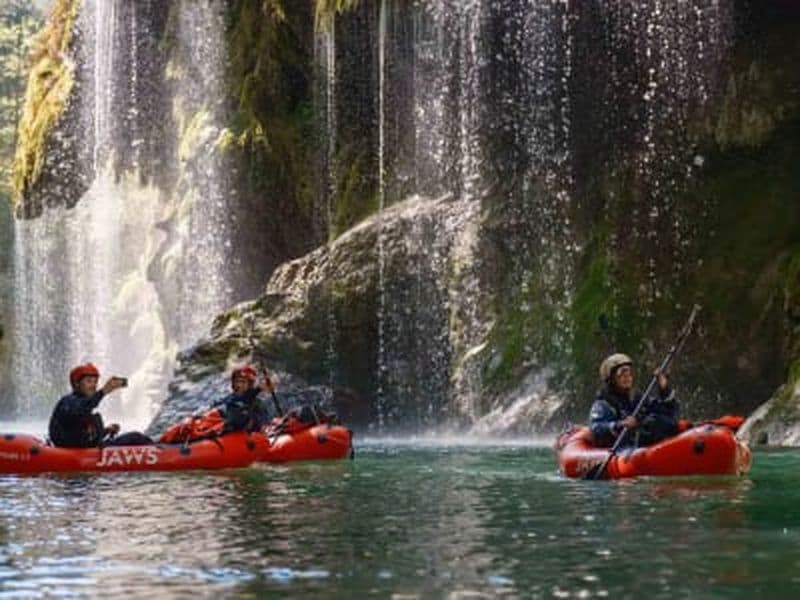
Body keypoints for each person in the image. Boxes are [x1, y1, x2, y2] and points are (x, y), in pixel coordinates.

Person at [48, 363, 153, 448]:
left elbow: (81, 433)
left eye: (95, 382)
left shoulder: (78, 403)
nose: (93, 385)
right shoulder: (69, 401)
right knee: (136, 437)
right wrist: (104, 391)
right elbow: (83, 407)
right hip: (79, 452)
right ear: (76, 384)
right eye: (89, 381)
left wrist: (106, 430)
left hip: (86, 448)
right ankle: (161, 451)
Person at [589, 353, 679, 448]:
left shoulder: (638, 399)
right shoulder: (603, 404)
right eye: (621, 374)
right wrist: (620, 425)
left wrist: (664, 389)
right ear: (611, 379)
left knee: (661, 421)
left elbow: (669, 413)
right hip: (622, 450)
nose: (627, 377)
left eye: (629, 374)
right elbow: (596, 427)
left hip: (643, 447)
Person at [211, 365, 276, 434]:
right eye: (237, 382)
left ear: (250, 385)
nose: (239, 385)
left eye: (243, 382)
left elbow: (264, 424)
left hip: (248, 436)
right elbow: (221, 405)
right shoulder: (228, 399)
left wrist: (259, 389)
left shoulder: (257, 403)